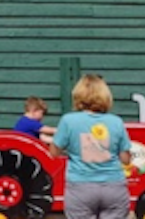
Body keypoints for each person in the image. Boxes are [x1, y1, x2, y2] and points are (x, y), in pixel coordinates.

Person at [49, 74, 132, 219]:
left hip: (80, 188)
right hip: (113, 187)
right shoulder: (116, 122)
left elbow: (54, 152)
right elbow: (125, 159)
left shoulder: (68, 121)